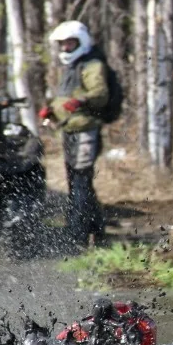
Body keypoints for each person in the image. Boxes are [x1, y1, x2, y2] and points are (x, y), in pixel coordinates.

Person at [40, 20, 108, 246]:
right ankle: (96, 230)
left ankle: (77, 235)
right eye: (63, 44)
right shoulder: (72, 68)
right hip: (69, 131)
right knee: (78, 181)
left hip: (86, 131)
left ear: (80, 41)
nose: (65, 48)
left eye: (69, 43)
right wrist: (52, 110)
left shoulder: (91, 65)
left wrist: (80, 101)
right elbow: (65, 98)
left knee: (80, 181)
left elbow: (99, 92)